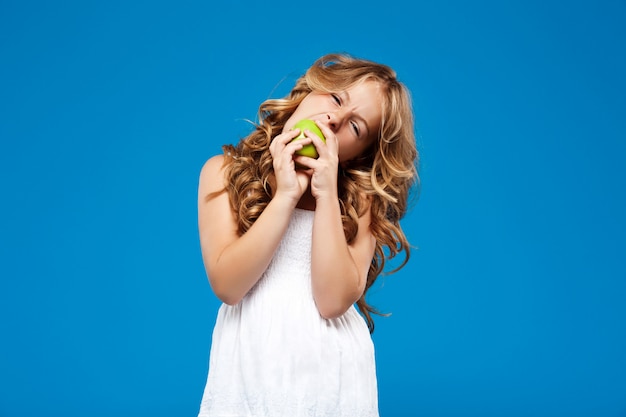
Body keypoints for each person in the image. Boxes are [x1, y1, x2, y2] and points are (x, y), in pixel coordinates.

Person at [196, 53, 419, 417]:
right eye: (335, 98)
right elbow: (228, 285)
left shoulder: (360, 202)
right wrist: (285, 195)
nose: (333, 120)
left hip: (333, 379)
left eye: (356, 127)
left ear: (357, 155)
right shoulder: (223, 172)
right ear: (311, 89)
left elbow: (332, 301)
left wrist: (326, 192)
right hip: (249, 368)